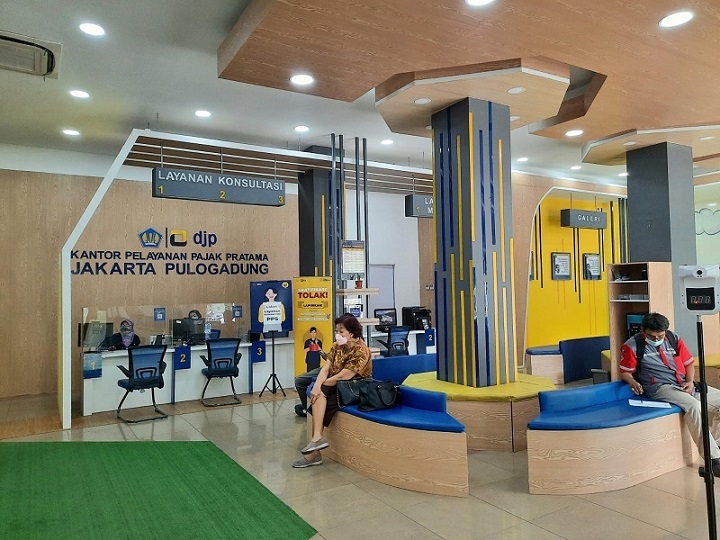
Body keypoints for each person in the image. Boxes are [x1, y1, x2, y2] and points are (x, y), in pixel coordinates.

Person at [620, 312, 720, 476]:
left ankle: (716, 447)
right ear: (643, 330)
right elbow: (625, 372)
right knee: (694, 406)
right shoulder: (632, 345)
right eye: (652, 336)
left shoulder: (674, 339)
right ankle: (713, 460)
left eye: (660, 335)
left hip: (684, 384)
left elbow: (689, 364)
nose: (656, 339)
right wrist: (632, 382)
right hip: (659, 387)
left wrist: (690, 381)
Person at [292, 313, 372, 468]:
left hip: (355, 387)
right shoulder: (337, 346)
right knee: (317, 394)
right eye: (337, 331)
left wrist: (322, 385)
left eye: (341, 332)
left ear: (352, 333)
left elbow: (345, 375)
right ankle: (316, 440)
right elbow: (326, 368)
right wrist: (317, 386)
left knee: (322, 395)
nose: (338, 335)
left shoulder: (361, 350)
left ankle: (314, 451)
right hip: (337, 384)